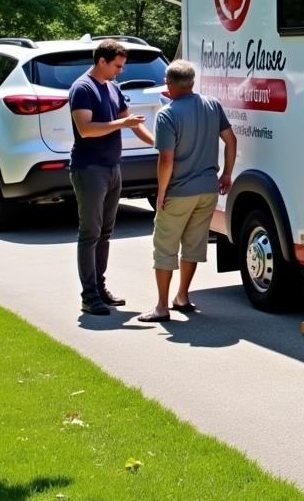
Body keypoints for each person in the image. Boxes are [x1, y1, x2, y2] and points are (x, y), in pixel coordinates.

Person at [138, 60, 236, 323]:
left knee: (165, 247)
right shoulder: (212, 105)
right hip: (208, 190)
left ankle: (161, 306)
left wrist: (160, 192)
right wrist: (227, 173)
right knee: (193, 246)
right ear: (193, 82)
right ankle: (182, 296)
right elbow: (231, 140)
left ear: (168, 84)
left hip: (180, 191)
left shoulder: (167, 114)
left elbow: (166, 159)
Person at [70, 39, 155, 315]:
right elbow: (86, 129)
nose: (120, 71)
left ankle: (100, 287)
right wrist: (123, 124)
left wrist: (159, 144)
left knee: (105, 232)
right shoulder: (83, 88)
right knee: (90, 232)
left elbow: (131, 121)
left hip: (112, 167)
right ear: (101, 61)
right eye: (117, 66)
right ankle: (89, 295)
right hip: (89, 169)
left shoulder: (113, 87)